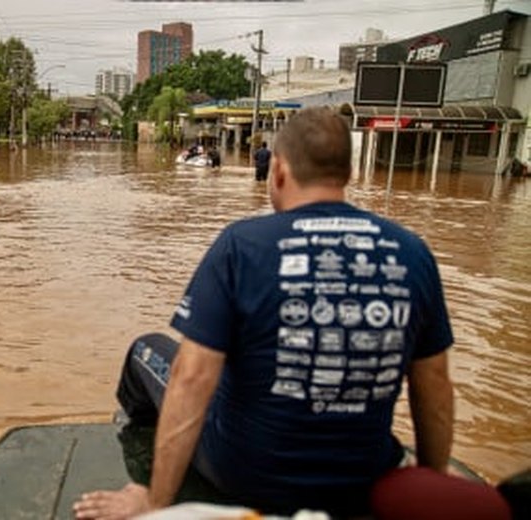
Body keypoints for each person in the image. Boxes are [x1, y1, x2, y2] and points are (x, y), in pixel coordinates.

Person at [73, 108, 455, 519]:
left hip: (243, 475)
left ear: (278, 170)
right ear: (346, 174)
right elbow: (433, 384)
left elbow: (192, 376)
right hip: (363, 478)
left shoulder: (242, 245)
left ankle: (139, 440)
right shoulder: (413, 252)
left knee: (145, 350)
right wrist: (430, 484)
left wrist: (156, 503)